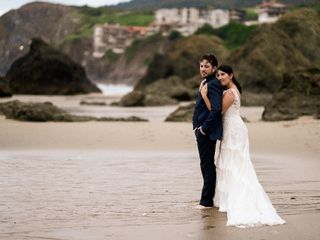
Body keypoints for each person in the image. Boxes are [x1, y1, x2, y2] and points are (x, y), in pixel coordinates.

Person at [200, 65, 285, 227]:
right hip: (232, 129)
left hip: (234, 130)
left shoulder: (231, 93)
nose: (219, 77)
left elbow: (216, 112)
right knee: (229, 163)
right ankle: (227, 197)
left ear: (231, 75)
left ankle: (238, 197)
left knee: (235, 163)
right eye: (217, 75)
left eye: (223, 74)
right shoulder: (232, 90)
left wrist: (205, 96)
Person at [192, 53, 223, 208]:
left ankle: (206, 201)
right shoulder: (206, 82)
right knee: (205, 164)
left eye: (206, 66)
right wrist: (196, 127)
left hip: (207, 132)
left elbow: (216, 109)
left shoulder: (213, 84)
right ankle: (206, 199)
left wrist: (204, 128)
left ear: (214, 68)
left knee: (207, 165)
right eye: (201, 66)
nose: (203, 69)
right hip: (201, 130)